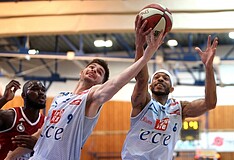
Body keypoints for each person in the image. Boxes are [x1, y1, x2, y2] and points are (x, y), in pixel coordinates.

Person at [5, 26, 166, 160]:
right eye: (91, 67)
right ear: (82, 72)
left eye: (99, 72)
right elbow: (43, 133)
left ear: (100, 83)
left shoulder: (92, 97)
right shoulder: (60, 98)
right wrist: (10, 157)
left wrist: (146, 55)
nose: (94, 70)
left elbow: (117, 82)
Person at [121, 15, 218, 160]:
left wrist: (209, 68)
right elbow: (141, 79)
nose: (160, 79)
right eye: (157, 77)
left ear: (172, 89)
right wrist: (140, 46)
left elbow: (210, 103)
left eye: (165, 78)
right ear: (150, 85)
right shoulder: (143, 102)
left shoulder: (179, 108)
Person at [0, 80, 46, 160]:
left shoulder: (46, 123)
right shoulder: (10, 116)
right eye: (34, 89)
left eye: (43, 90)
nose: (41, 93)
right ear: (23, 95)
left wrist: (38, 145)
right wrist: (4, 99)